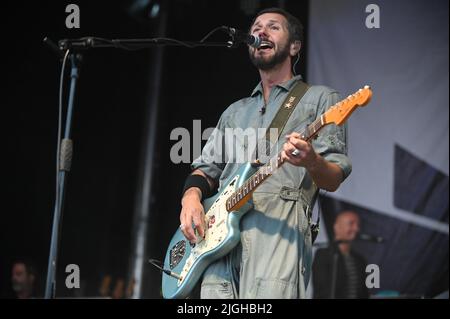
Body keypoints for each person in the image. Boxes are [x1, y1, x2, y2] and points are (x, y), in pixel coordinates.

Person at [179, 7, 351, 299]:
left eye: (273, 27)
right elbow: (205, 171)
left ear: (294, 46)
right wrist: (190, 198)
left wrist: (311, 160)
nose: (261, 32)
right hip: (217, 236)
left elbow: (333, 178)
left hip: (279, 225)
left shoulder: (320, 99)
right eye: (257, 28)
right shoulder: (235, 112)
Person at [312, 211, 369, 299]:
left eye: (357, 225)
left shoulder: (360, 260)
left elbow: (364, 293)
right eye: (351, 224)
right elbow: (321, 290)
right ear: (337, 227)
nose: (356, 228)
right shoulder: (324, 255)